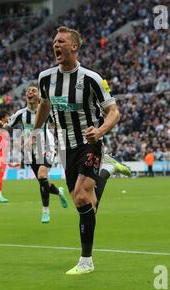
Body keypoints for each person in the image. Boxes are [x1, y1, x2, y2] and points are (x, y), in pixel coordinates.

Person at [34, 26, 122, 275]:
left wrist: (101, 131)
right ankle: (105, 171)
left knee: (82, 197)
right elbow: (44, 104)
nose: (55, 45)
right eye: (54, 42)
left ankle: (86, 261)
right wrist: (36, 129)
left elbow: (114, 112)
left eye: (61, 41)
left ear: (74, 46)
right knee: (83, 202)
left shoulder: (91, 78)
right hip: (65, 145)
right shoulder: (46, 78)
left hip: (89, 141)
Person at [0, 85, 69, 223]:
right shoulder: (21, 114)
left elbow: (56, 125)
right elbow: (8, 126)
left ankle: (45, 212)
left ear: (39, 96)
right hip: (30, 150)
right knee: (43, 182)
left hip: (47, 145)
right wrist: (1, 125)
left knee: (42, 175)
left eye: (33, 90)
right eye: (28, 91)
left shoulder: (46, 110)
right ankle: (59, 192)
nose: (30, 92)